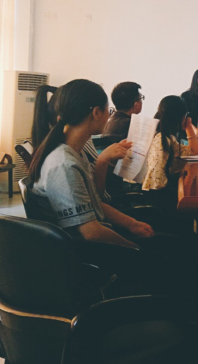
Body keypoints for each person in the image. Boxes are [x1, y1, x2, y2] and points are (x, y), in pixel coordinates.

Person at [29, 80, 155, 247]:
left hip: (95, 239)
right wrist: (136, 250)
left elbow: (94, 203)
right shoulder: (64, 164)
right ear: (96, 112)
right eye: (108, 110)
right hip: (86, 251)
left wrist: (132, 224)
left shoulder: (75, 152)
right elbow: (91, 233)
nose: (109, 116)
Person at [143, 95, 198, 193]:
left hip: (157, 192)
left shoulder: (164, 136)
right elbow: (195, 151)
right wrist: (189, 127)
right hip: (159, 195)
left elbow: (194, 151)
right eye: (185, 115)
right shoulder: (162, 140)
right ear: (179, 117)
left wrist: (188, 126)